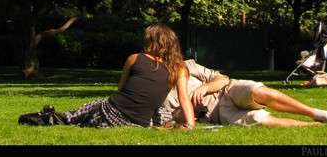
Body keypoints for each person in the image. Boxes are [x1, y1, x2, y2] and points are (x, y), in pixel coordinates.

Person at [18, 24, 196, 129]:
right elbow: (184, 99)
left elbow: (121, 89)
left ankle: (54, 117)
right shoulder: (179, 69)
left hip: (112, 114)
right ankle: (57, 116)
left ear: (152, 43)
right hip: (138, 122)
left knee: (88, 110)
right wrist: (190, 125)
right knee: (164, 113)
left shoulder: (134, 58)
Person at [156, 58, 327, 127]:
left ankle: (317, 113)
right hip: (217, 113)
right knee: (259, 120)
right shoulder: (156, 95)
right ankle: (316, 126)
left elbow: (222, 78)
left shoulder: (186, 65)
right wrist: (184, 115)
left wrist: (205, 87)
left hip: (227, 91)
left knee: (256, 90)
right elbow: (169, 121)